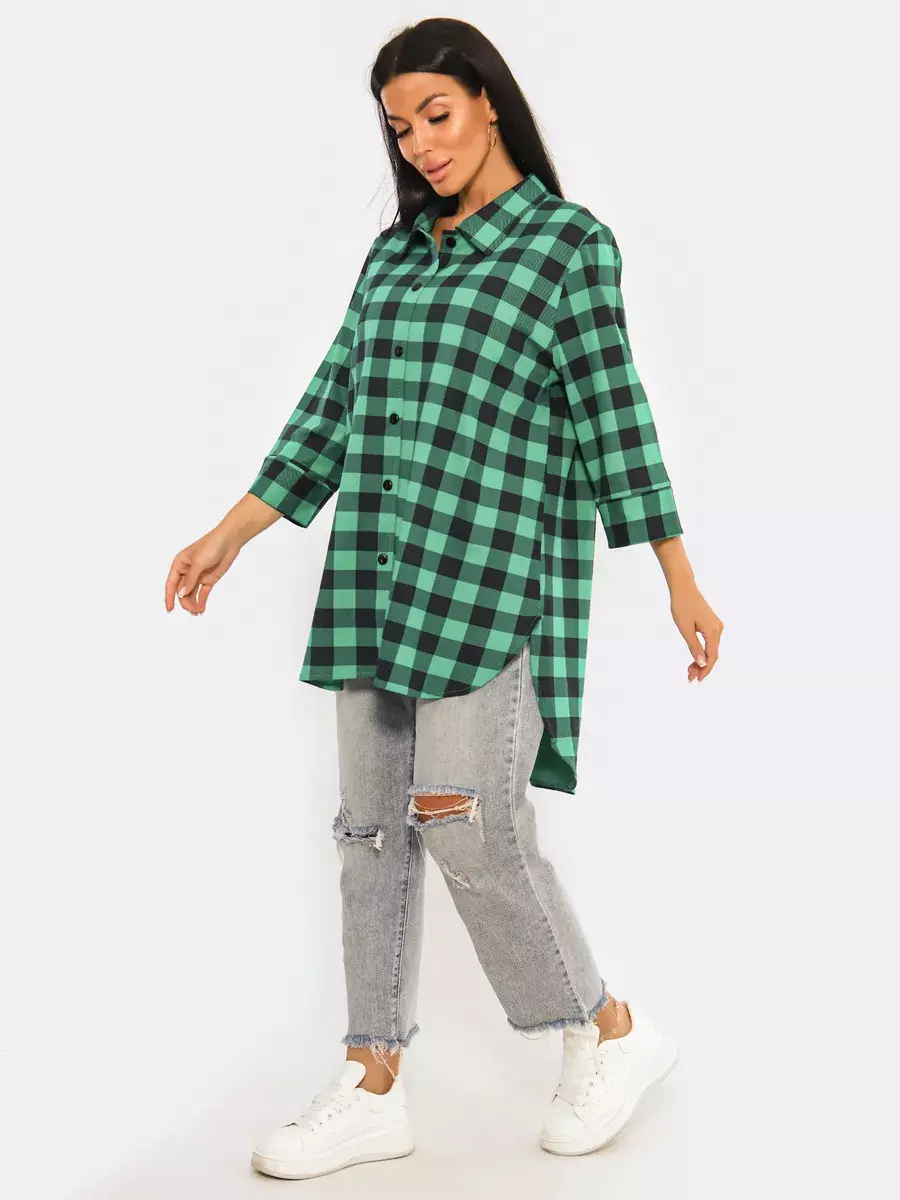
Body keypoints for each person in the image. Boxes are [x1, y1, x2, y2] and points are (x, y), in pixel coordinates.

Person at [165, 16, 723, 1181]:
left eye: (437, 113)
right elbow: (331, 407)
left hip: (484, 585)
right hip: (374, 577)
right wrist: (232, 531)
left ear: (488, 102)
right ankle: (373, 1081)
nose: (420, 144)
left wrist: (678, 575)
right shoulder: (395, 258)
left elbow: (614, 417)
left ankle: (610, 1030)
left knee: (469, 825)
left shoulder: (565, 248)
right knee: (368, 834)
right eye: (399, 126)